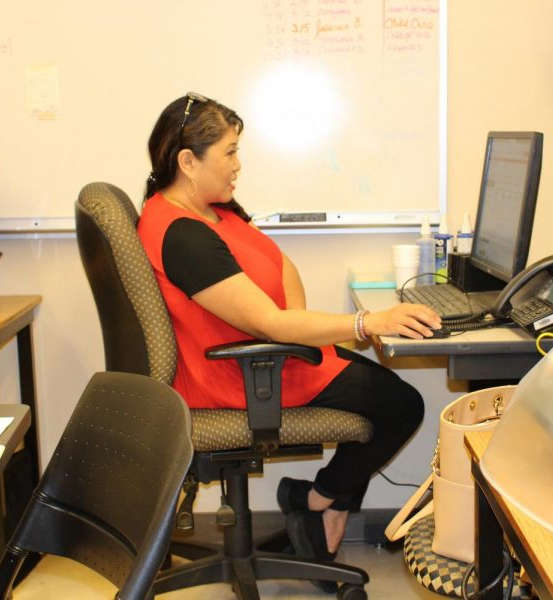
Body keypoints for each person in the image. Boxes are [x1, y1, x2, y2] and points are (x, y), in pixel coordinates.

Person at [137, 92, 441, 577]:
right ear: (188, 162)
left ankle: (319, 503)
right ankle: (318, 501)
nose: (239, 165)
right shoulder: (183, 236)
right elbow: (269, 323)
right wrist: (366, 322)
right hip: (237, 373)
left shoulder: (214, 209)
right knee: (402, 405)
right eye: (230, 152)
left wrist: (296, 327)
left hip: (270, 355)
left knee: (387, 395)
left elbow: (279, 262)